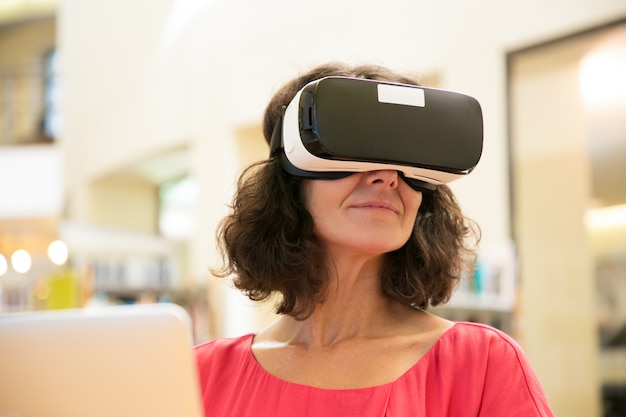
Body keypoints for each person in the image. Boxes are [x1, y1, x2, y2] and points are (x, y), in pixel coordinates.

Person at [194, 62, 554, 416]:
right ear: (290, 184)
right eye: (354, 153)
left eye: (404, 162)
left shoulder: (481, 364)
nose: (387, 177)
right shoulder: (202, 375)